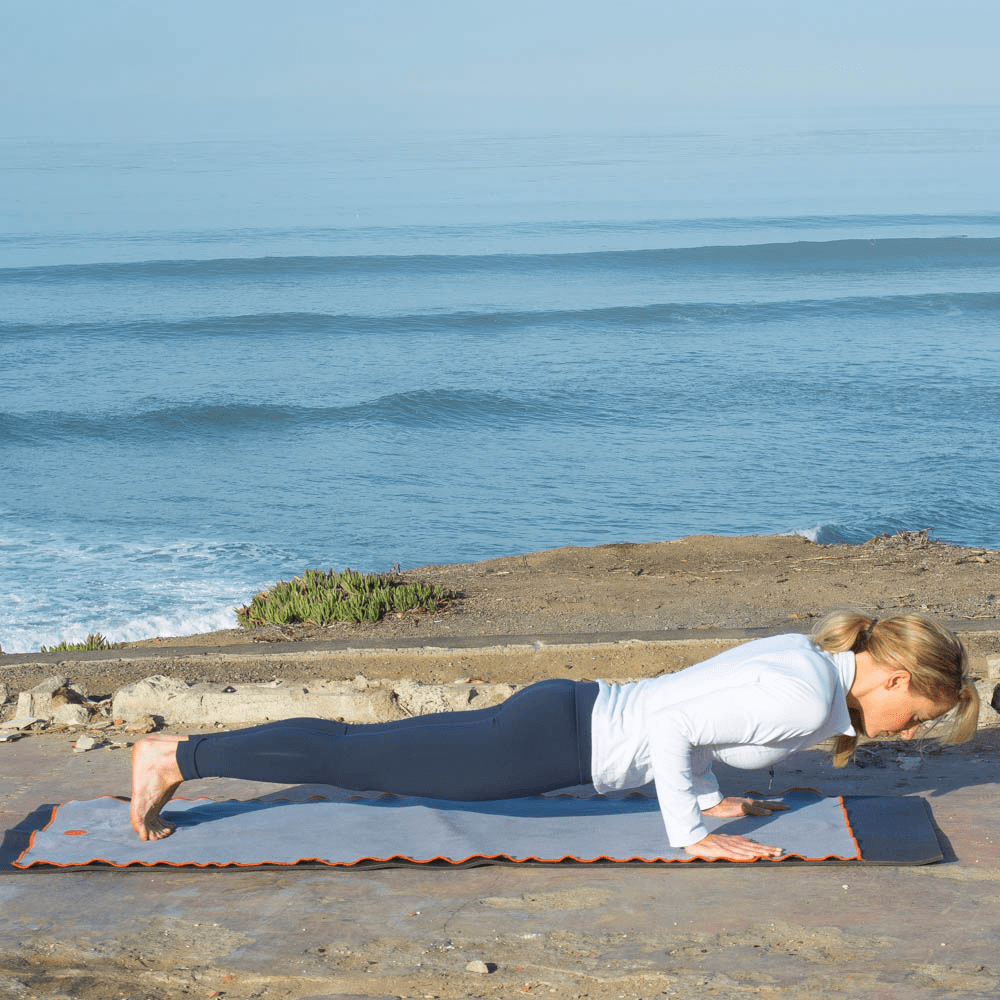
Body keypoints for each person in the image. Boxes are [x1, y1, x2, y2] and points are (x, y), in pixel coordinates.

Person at [130, 610, 979, 861]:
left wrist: (716, 794)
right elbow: (676, 721)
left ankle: (185, 757)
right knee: (351, 756)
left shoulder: (810, 664)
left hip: (564, 718)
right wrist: (691, 836)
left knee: (363, 751)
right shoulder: (804, 698)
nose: (909, 731)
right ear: (896, 679)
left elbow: (700, 713)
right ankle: (177, 755)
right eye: (921, 716)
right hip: (548, 744)